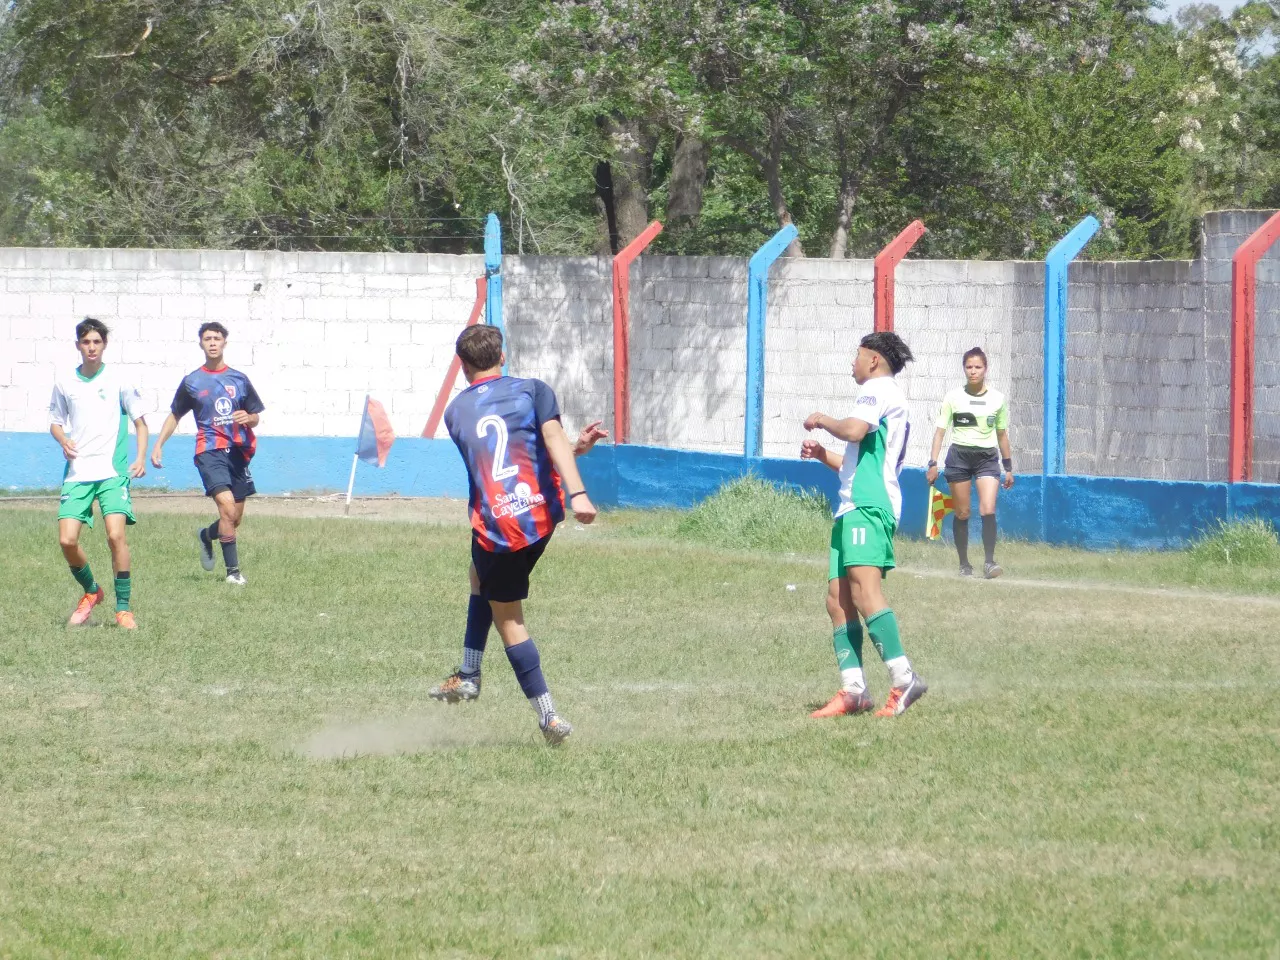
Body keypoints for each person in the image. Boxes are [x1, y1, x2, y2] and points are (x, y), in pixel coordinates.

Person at [427, 325, 599, 746]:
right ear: (502, 355)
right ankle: (468, 671)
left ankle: (548, 716)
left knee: (509, 618)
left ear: (462, 365)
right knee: (477, 577)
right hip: (541, 516)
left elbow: (494, 455)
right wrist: (577, 489)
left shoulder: (455, 412)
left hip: (498, 528)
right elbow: (542, 442)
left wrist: (574, 478)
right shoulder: (534, 390)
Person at [800, 330, 928, 719]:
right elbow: (858, 461)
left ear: (874, 359)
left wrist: (821, 419)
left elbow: (854, 430)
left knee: (863, 590)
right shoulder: (882, 398)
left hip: (869, 506)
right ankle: (854, 690)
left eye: (857, 355)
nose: (852, 363)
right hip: (852, 505)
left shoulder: (878, 389)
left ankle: (904, 679)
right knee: (837, 600)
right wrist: (824, 455)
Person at [49, 318, 149, 629]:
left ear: (104, 344)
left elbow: (141, 423)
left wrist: (141, 457)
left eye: (96, 342)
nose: (91, 347)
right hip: (78, 472)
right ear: (78, 345)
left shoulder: (120, 380)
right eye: (86, 342)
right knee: (67, 541)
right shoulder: (66, 383)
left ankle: (123, 609)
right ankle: (92, 592)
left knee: (116, 535)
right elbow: (55, 421)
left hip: (112, 471)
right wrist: (63, 438)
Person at [150, 322, 265, 586]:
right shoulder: (192, 382)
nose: (212, 343)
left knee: (234, 518)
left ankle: (206, 535)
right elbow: (175, 415)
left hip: (237, 451)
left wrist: (248, 417)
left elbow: (256, 416)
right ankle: (233, 573)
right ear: (201, 344)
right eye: (207, 339)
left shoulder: (239, 379)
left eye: (216, 338)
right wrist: (159, 445)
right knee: (226, 507)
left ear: (225, 342)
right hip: (209, 449)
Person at [925, 346, 1014, 579]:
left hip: (987, 458)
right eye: (969, 367)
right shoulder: (953, 397)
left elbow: (1002, 435)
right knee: (963, 512)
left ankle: (989, 563)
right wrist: (932, 462)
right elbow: (940, 432)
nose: (973, 371)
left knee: (988, 508)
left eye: (978, 367)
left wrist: (1008, 468)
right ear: (964, 369)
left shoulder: (998, 399)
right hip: (959, 458)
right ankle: (964, 564)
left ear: (986, 369)